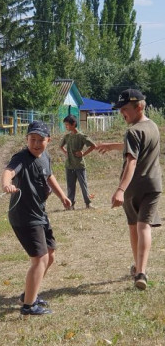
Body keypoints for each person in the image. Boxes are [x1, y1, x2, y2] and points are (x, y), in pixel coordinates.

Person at [1, 121, 71, 316]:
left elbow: (49, 176)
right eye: (33, 139)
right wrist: (6, 183)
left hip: (40, 214)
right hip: (24, 217)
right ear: (27, 139)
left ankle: (29, 295)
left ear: (48, 140)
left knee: (50, 254)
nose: (36, 143)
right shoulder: (21, 157)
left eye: (41, 140)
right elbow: (9, 171)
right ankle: (28, 306)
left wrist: (62, 196)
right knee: (40, 258)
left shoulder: (45, 156)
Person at [96, 88, 162, 290]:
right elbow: (137, 146)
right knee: (144, 227)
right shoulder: (152, 126)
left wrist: (120, 190)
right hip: (153, 186)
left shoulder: (132, 131)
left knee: (136, 227)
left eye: (125, 108)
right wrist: (112, 145)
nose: (121, 113)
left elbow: (131, 161)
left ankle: (139, 270)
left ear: (139, 107)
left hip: (134, 188)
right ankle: (140, 270)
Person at [59, 114, 96, 210]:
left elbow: (93, 146)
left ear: (74, 123)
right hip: (69, 165)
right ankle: (70, 205)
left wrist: (83, 153)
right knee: (70, 187)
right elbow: (60, 146)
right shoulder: (67, 137)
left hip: (79, 165)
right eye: (65, 125)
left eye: (67, 125)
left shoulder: (81, 136)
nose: (66, 127)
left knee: (83, 185)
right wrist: (65, 152)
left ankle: (88, 204)